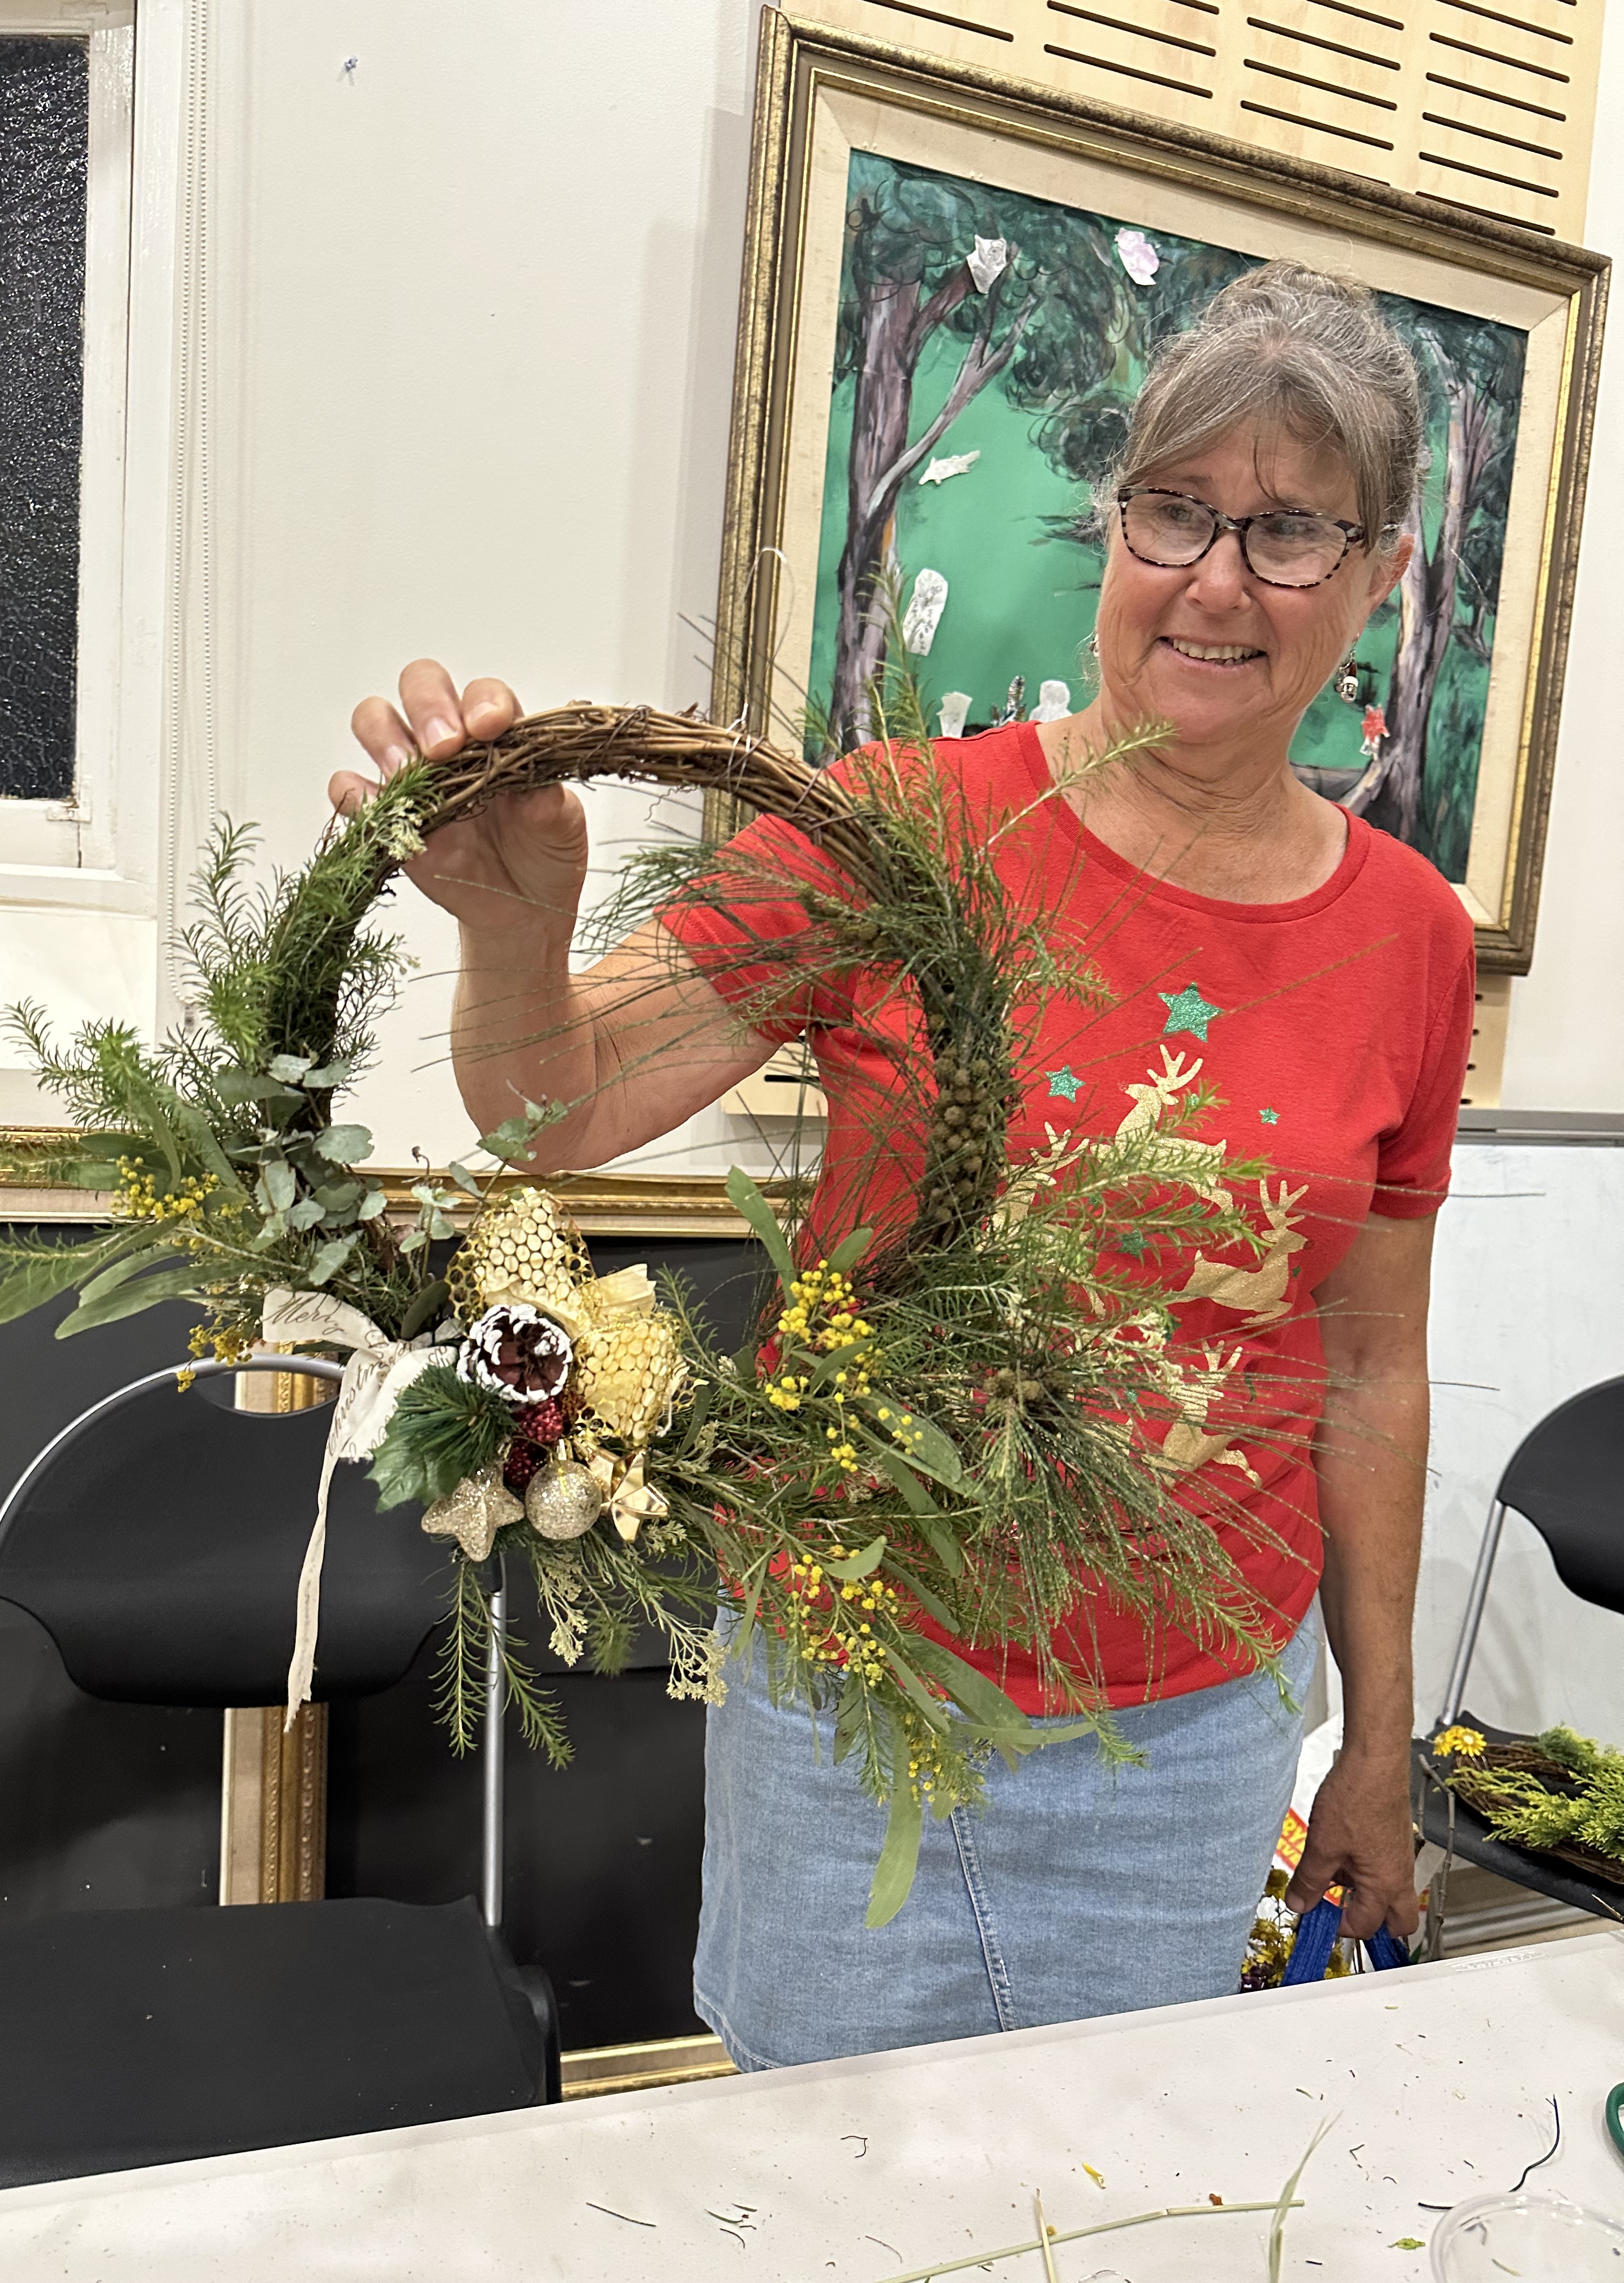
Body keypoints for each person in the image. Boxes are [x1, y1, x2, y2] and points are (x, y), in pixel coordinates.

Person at [335, 262, 1473, 2069]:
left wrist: (1381, 1747)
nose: (1215, 579)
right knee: (821, 2173)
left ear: (1379, 573)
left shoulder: (1409, 936)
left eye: (1288, 533)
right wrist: (518, 934)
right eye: (1176, 510)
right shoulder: (905, 828)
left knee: (1120, 2176)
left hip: (1190, 1738)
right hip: (853, 1703)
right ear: (1116, 521)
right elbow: (564, 1107)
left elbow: (1370, 1367)